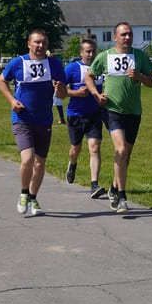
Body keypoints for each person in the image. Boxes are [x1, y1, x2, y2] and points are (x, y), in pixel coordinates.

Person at [0, 29, 67, 216]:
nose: (40, 45)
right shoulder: (18, 63)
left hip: (44, 120)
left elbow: (62, 94)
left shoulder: (55, 64)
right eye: (36, 42)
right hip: (22, 118)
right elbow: (1, 81)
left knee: (40, 163)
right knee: (28, 159)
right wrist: (12, 101)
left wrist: (60, 89)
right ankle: (23, 193)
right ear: (29, 44)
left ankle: (34, 198)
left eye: (43, 42)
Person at [87, 22, 152, 213]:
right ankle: (122, 197)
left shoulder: (140, 56)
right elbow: (89, 76)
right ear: (115, 37)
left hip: (133, 111)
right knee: (121, 149)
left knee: (126, 155)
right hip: (112, 110)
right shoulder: (105, 56)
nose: (127, 37)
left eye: (130, 34)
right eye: (123, 34)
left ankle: (114, 187)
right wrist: (96, 94)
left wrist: (140, 77)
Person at [63, 38, 107, 197]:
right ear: (81, 52)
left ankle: (94, 185)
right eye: (88, 51)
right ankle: (72, 164)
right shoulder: (72, 68)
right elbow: (58, 91)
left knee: (94, 147)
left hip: (95, 115)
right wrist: (76, 93)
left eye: (93, 51)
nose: (91, 54)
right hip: (75, 115)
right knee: (75, 149)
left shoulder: (101, 68)